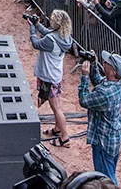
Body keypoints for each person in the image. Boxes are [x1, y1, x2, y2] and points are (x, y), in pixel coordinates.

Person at [78, 50, 121, 183]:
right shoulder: (118, 83)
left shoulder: (105, 95)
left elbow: (84, 100)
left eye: (107, 63)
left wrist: (84, 77)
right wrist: (94, 64)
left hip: (103, 142)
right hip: (112, 138)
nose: (104, 62)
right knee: (109, 174)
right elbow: (99, 82)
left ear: (113, 72)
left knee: (105, 180)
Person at [29, 9, 74, 148]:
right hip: (56, 74)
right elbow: (48, 32)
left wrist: (32, 29)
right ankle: (57, 129)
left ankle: (65, 138)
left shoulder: (51, 40)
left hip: (48, 77)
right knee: (57, 103)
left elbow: (36, 44)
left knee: (56, 107)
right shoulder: (65, 37)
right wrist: (37, 24)